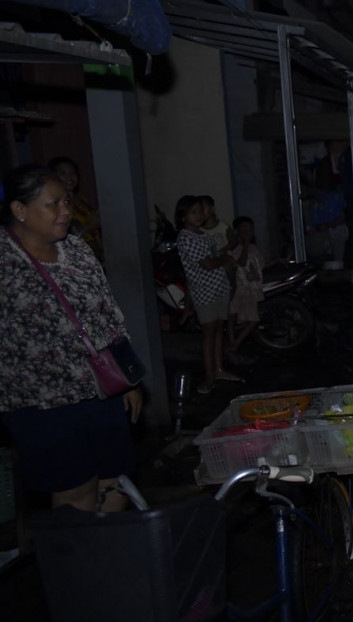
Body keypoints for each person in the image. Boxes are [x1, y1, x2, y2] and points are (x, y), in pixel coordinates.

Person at [0, 164, 143, 512]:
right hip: (40, 405)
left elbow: (108, 315)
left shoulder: (77, 251)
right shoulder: (5, 262)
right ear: (20, 210)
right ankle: (82, 564)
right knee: (74, 491)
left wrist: (128, 380)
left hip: (100, 392)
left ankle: (115, 560)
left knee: (115, 483)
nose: (66, 210)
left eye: (66, 201)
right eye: (54, 204)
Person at [174, 194, 240, 394]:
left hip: (219, 288)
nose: (199, 215)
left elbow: (215, 256)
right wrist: (226, 259)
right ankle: (209, 376)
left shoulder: (203, 234)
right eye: (193, 212)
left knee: (219, 330)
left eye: (200, 211)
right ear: (182, 216)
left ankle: (219, 370)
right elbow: (207, 263)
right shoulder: (186, 237)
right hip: (205, 293)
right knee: (209, 334)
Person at [47, 156, 103, 263]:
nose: (70, 177)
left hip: (96, 255)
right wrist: (90, 227)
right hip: (76, 258)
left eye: (73, 173)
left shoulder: (82, 200)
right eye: (63, 174)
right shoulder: (55, 205)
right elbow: (62, 238)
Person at [226, 216, 264, 356]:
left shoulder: (254, 248)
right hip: (237, 288)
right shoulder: (234, 250)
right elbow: (240, 263)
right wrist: (246, 245)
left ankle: (235, 345)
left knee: (253, 320)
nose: (248, 232)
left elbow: (260, 266)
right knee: (232, 317)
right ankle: (232, 345)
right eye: (244, 229)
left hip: (250, 289)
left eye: (250, 229)